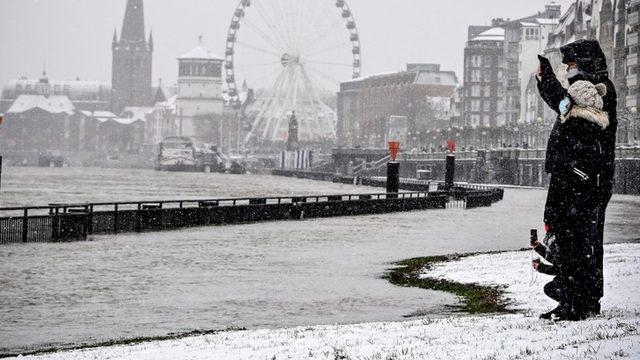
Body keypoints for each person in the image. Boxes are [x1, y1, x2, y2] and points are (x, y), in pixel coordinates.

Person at [536, 45, 614, 319]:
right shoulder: (589, 92)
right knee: (576, 240)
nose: (568, 70)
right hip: (577, 179)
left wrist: (547, 82)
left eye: (570, 65)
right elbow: (565, 105)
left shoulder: (595, 93)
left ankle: (578, 299)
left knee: (579, 241)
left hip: (581, 182)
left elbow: (566, 106)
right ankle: (577, 297)